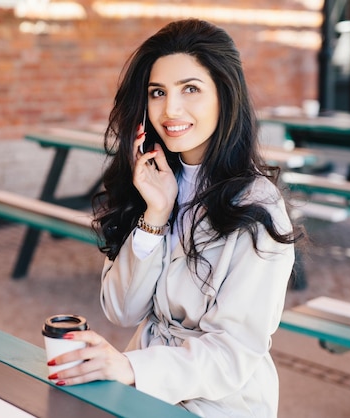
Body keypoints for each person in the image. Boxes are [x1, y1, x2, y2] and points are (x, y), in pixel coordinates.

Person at [45, 19, 299, 417]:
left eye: (191, 89)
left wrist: (130, 367)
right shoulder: (155, 179)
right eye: (158, 93)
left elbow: (233, 353)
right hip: (143, 387)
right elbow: (122, 311)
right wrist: (156, 213)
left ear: (224, 96)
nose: (170, 110)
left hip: (218, 403)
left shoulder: (257, 207)